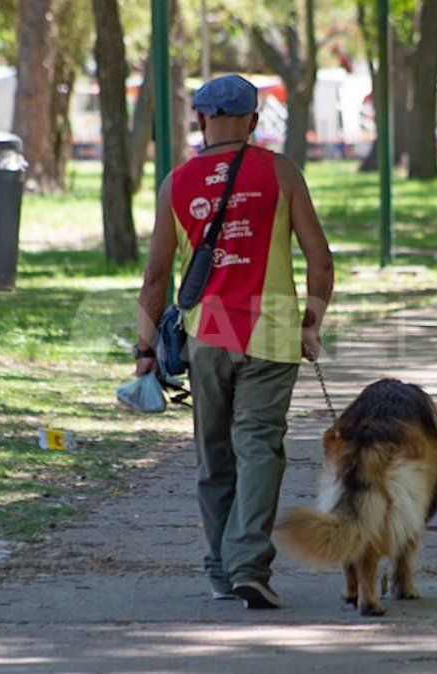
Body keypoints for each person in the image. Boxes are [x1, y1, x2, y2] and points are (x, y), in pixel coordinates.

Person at [134, 74, 334, 609]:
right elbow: (320, 259)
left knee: (214, 452)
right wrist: (310, 323)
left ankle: (222, 569)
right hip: (270, 329)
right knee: (260, 445)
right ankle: (249, 565)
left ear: (201, 120)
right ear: (253, 121)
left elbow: (155, 278)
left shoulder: (175, 183)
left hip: (208, 333)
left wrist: (145, 350)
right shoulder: (281, 172)